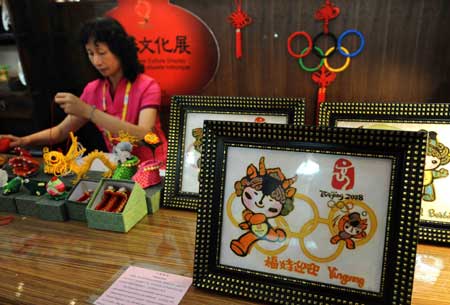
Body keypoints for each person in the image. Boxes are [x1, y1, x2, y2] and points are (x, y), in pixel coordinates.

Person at [0, 17, 167, 167]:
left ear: (121, 51)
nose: (96, 61)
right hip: (122, 166)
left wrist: (89, 111)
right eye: (90, 53)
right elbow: (60, 132)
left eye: (102, 53)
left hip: (155, 165)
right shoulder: (93, 89)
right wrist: (24, 140)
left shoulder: (148, 86)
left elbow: (145, 136)